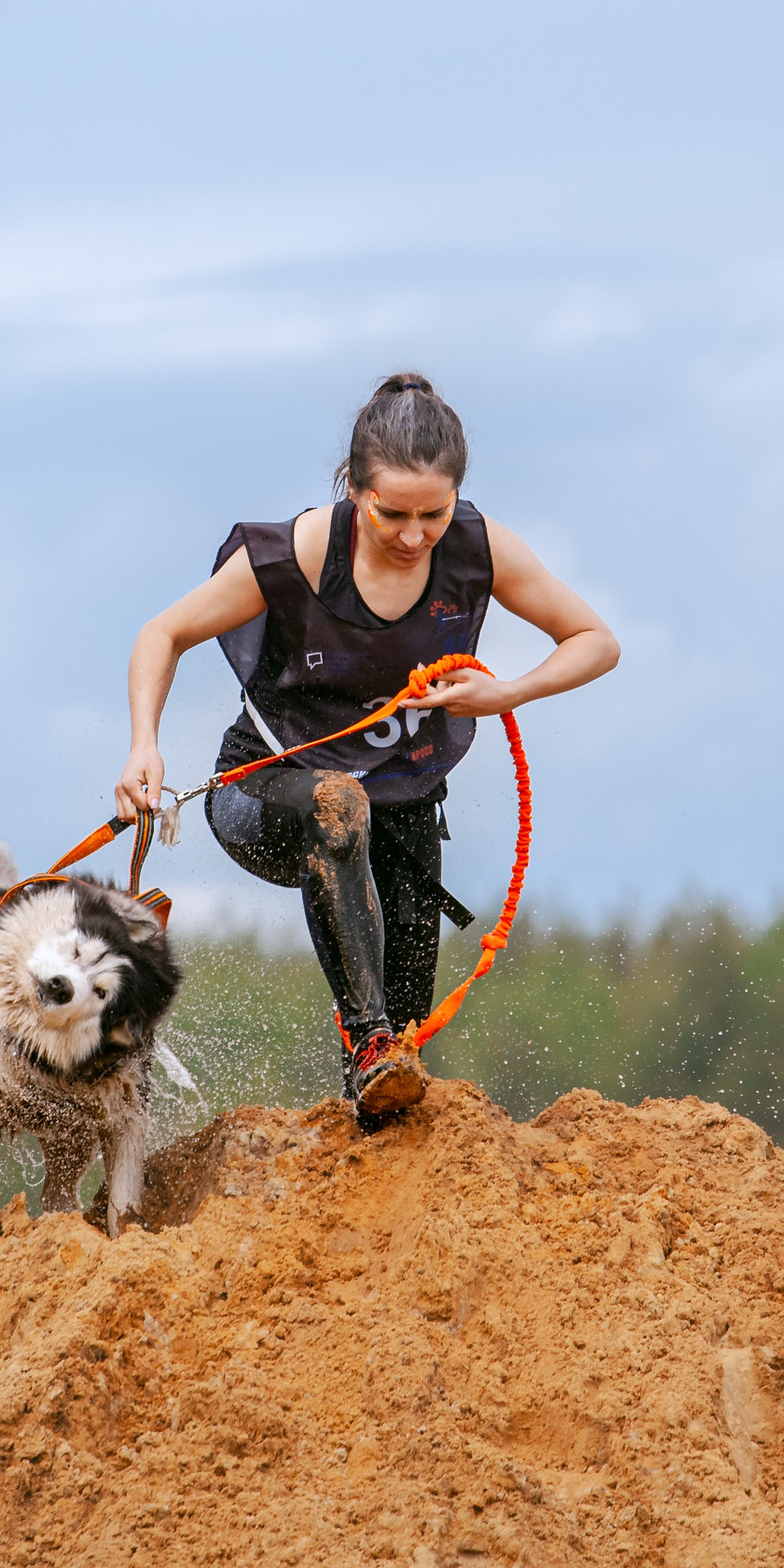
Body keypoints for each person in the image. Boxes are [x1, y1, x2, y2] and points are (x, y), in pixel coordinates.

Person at [115, 374, 619, 1118]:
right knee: (336, 802)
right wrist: (142, 746)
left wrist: (506, 691)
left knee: (400, 1064)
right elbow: (163, 633)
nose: (415, 536)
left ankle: (376, 1114)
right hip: (263, 791)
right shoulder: (298, 555)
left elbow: (596, 642)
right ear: (354, 489)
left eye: (434, 514)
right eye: (393, 514)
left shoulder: (480, 550)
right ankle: (367, 1038)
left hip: (404, 807)